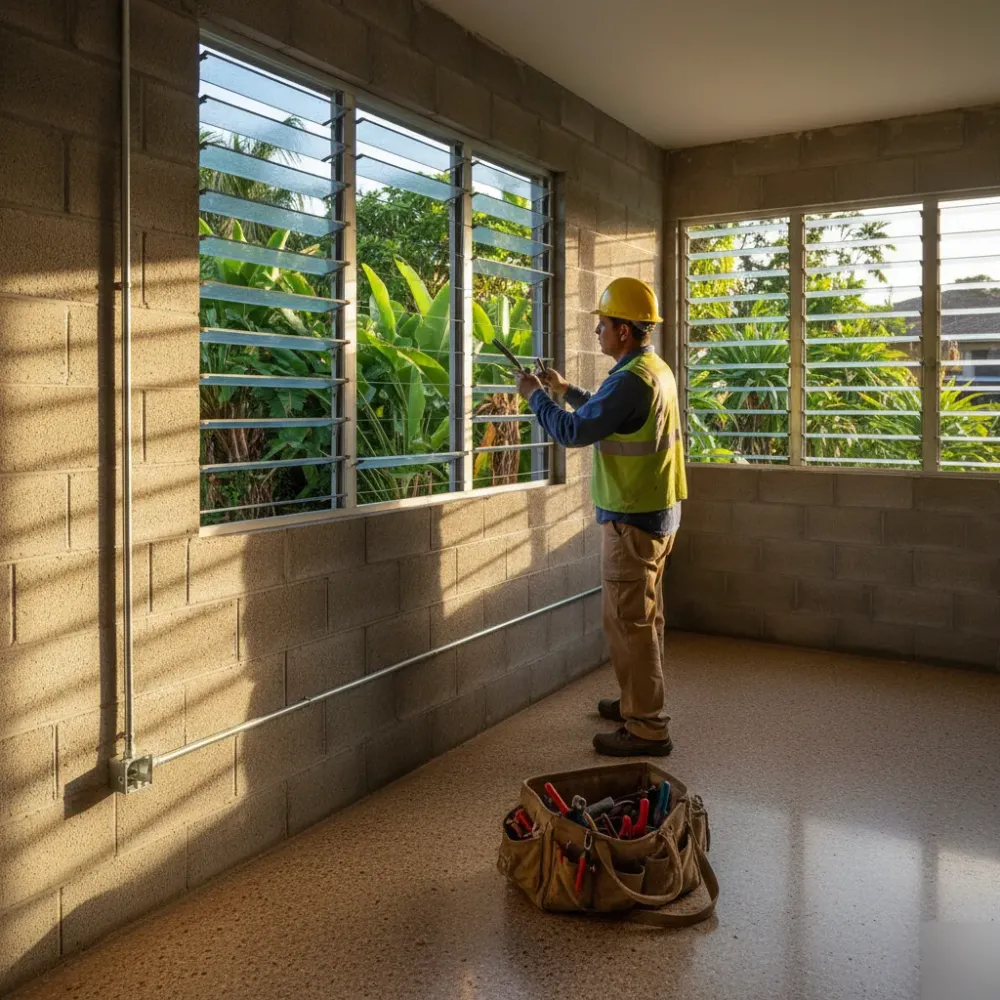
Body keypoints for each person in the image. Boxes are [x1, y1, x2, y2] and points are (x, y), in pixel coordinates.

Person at [515, 277, 687, 757]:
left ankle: (648, 727)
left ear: (624, 332)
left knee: (630, 622)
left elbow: (574, 432)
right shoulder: (653, 369)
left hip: (632, 518)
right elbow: (607, 410)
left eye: (603, 325)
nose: (598, 333)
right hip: (659, 511)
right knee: (643, 619)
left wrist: (536, 397)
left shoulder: (631, 379)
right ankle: (637, 700)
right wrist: (565, 389)